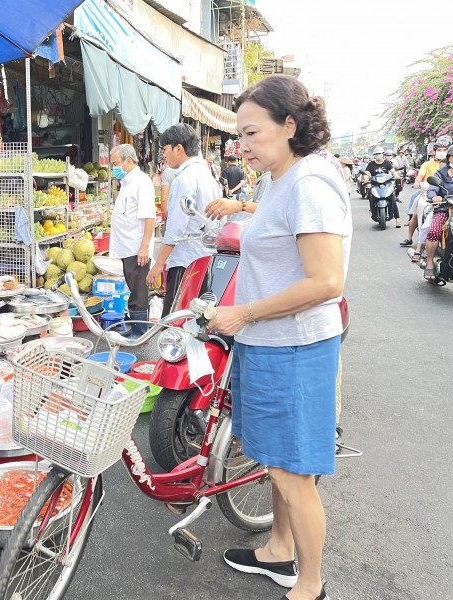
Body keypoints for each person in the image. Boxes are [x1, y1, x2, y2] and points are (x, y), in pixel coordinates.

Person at [208, 75, 351, 600]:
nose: (241, 145)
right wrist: (241, 209)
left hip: (294, 346)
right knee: (277, 462)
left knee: (294, 474)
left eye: (251, 133)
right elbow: (275, 226)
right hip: (270, 342)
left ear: (290, 125)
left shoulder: (309, 184)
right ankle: (277, 549)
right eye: (239, 135)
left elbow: (326, 281)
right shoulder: (280, 177)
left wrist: (243, 313)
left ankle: (309, 585)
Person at [145, 124, 221, 317]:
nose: (164, 155)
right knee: (197, 317)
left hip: (185, 260)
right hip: (205, 257)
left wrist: (158, 263)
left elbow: (176, 229)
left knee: (174, 318)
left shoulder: (185, 178)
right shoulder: (207, 176)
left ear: (178, 148)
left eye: (165, 149)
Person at [108, 144, 156, 336]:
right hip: (127, 246)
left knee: (138, 292)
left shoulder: (141, 182)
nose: (114, 168)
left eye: (116, 164)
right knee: (133, 288)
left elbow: (149, 217)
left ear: (128, 162)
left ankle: (140, 331)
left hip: (136, 248)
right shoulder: (127, 182)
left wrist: (144, 247)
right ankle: (135, 327)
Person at [402, 139, 450, 247]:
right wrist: (417, 182)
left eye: (445, 150)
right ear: (435, 151)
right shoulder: (427, 164)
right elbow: (419, 177)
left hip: (448, 195)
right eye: (439, 150)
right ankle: (409, 237)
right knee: (416, 207)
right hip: (429, 190)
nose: (442, 152)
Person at [422, 145, 453, 280]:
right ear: (449, 158)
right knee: (434, 231)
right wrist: (434, 196)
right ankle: (429, 262)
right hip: (444, 208)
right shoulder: (441, 173)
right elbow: (433, 188)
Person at [363, 146, 400, 227]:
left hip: (386, 184)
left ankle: (398, 219)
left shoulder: (387, 163)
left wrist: (396, 175)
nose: (378, 155)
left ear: (383, 154)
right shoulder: (371, 164)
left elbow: (393, 171)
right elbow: (367, 173)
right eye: (376, 154)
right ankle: (372, 210)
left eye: (379, 153)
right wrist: (366, 179)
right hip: (375, 185)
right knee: (370, 196)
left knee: (393, 199)